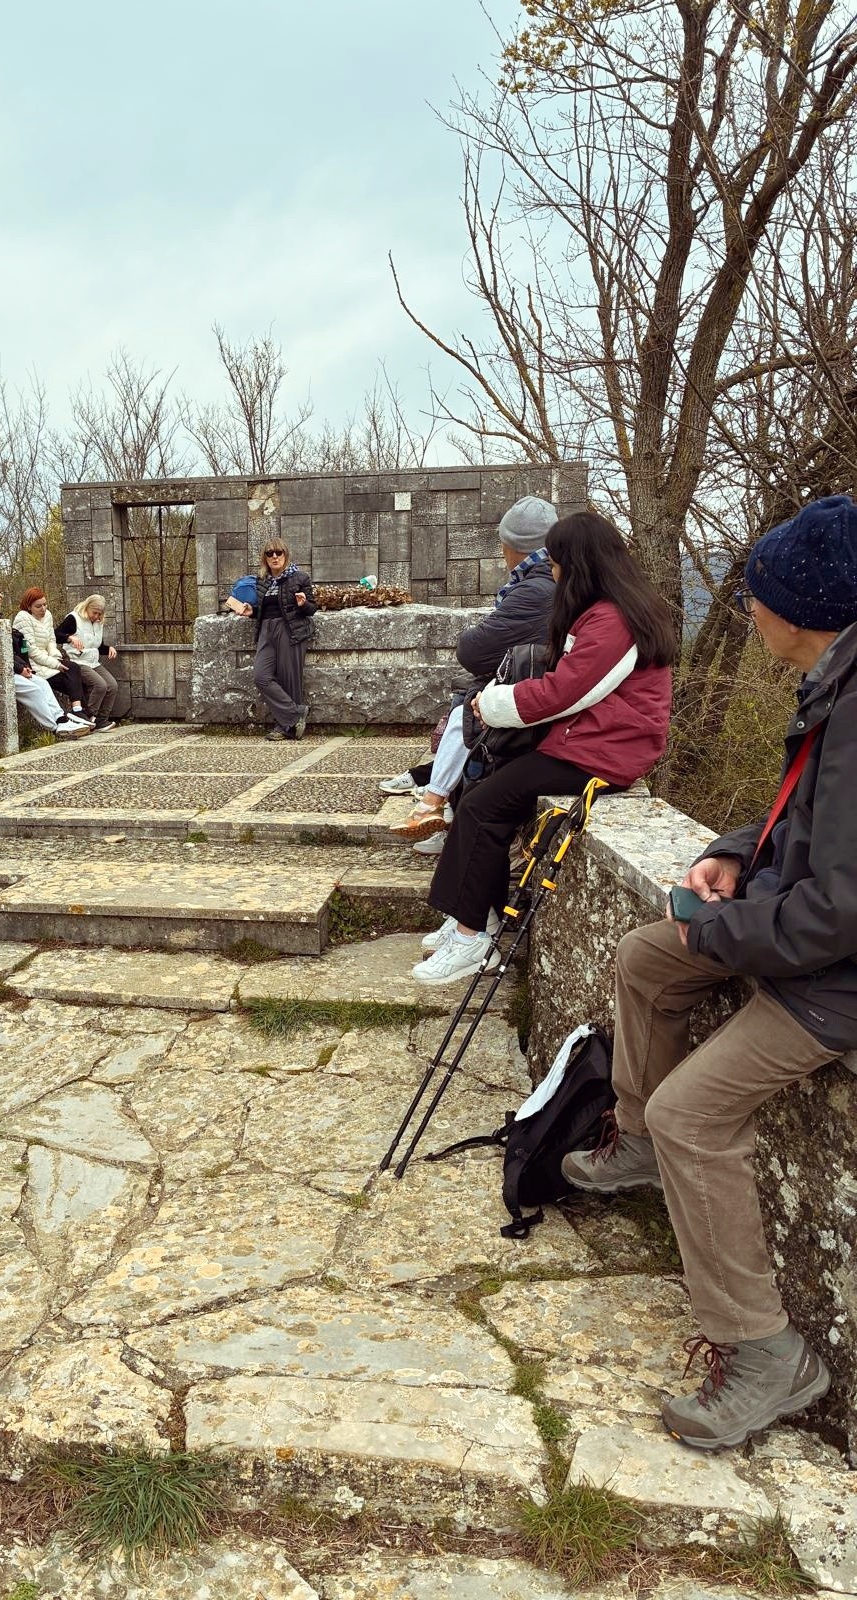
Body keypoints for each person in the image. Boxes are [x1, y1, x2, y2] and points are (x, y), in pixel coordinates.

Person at [563, 494, 857, 1451]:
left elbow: (839, 913)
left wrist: (720, 932)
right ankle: (639, 1139)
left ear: (803, 612)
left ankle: (768, 1352)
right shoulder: (838, 681)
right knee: (645, 956)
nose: (748, 612)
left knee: (700, 1111)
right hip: (811, 941)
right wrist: (735, 850)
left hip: (836, 980)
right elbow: (812, 822)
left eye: (758, 598)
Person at [413, 510, 676, 985]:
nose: (552, 572)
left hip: (602, 756)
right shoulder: (614, 610)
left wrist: (491, 703)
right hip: (588, 745)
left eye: (555, 562)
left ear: (577, 564)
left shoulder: (612, 620)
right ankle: (471, 919)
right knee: (479, 799)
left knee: (483, 806)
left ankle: (474, 939)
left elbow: (567, 690)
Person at [390, 497, 559, 847]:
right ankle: (438, 806)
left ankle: (435, 805)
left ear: (512, 546)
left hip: (527, 693)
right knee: (463, 712)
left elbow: (474, 650)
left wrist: (477, 633)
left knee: (466, 713)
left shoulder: (534, 588)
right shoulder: (547, 582)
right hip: (537, 685)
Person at [0, 579, 84, 737]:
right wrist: (19, 668)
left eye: (0, 592)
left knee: (41, 683)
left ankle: (61, 719)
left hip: (3, 667)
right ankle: (55, 727)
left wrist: (23, 666)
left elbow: (8, 650)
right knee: (32, 689)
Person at [239, 538, 317, 740]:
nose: (274, 556)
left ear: (285, 554)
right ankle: (295, 714)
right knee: (261, 676)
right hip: (266, 629)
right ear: (265, 558)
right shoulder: (263, 580)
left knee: (289, 680)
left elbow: (312, 609)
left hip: (290, 629)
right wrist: (252, 611)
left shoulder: (300, 577)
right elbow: (264, 609)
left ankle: (285, 727)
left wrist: (303, 604)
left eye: (278, 552)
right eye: (269, 553)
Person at [12, 589, 92, 729]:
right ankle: (80, 713)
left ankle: (84, 715)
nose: (43, 609)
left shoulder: (47, 615)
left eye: (45, 604)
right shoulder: (22, 618)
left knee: (75, 673)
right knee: (72, 673)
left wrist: (55, 657)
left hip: (48, 659)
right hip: (34, 664)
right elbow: (30, 650)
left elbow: (51, 640)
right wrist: (55, 664)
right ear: (28, 606)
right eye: (38, 606)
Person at [56, 594, 119, 731]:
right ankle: (86, 717)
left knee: (112, 685)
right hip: (76, 661)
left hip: (93, 662)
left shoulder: (97, 622)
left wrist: (109, 648)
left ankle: (102, 720)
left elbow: (97, 645)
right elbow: (56, 635)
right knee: (100, 685)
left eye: (99, 614)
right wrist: (69, 638)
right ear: (87, 607)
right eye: (94, 613)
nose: (96, 616)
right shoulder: (73, 618)